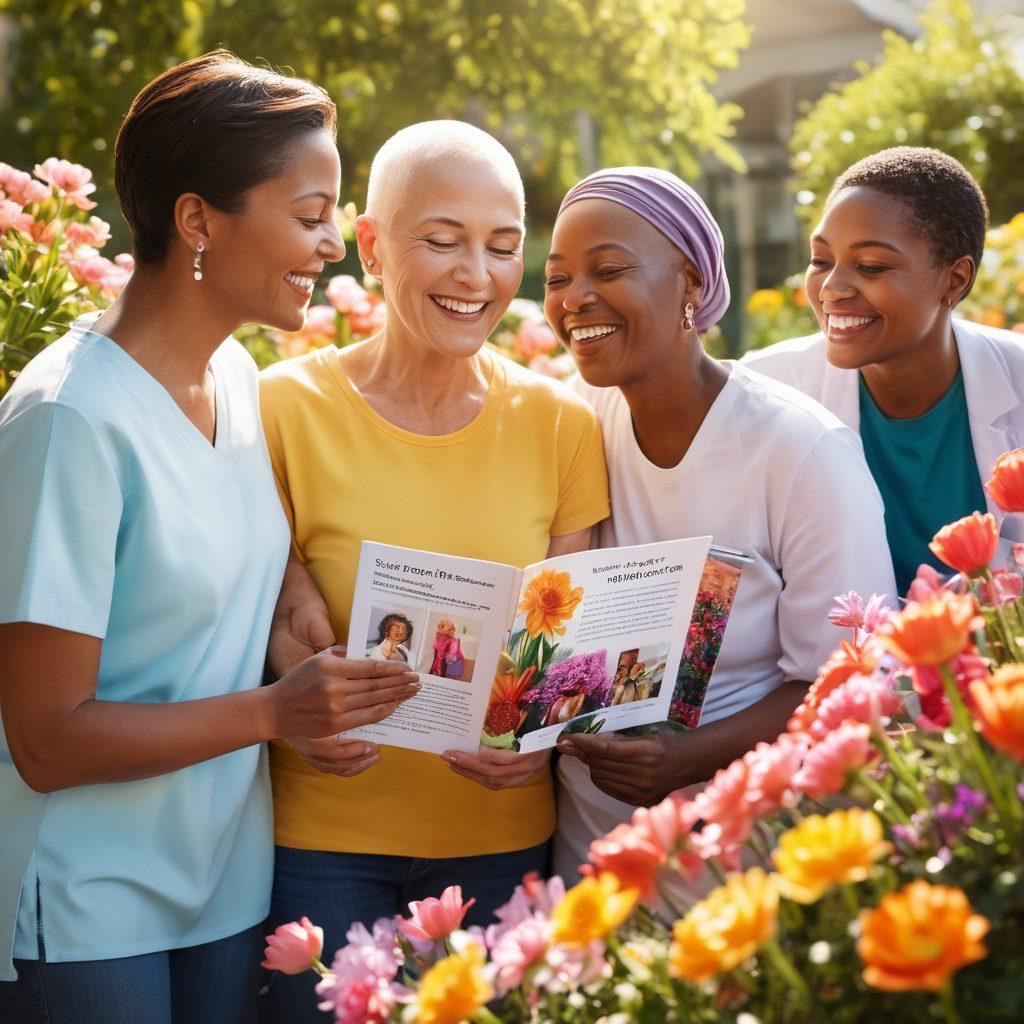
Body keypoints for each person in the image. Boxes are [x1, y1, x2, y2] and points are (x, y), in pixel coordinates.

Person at [0, 52, 419, 1024]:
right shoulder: (67, 422)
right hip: (88, 900)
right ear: (197, 220)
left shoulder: (234, 379)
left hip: (224, 885)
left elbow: (217, 552)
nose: (331, 246)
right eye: (310, 214)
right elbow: (46, 738)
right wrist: (278, 712)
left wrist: (291, 615)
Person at [258, 121, 609, 1022]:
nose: (476, 276)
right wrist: (283, 681)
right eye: (442, 241)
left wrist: (543, 734)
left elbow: (566, 645)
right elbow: (250, 610)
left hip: (498, 843)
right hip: (320, 846)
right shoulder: (283, 409)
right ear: (370, 246)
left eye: (501, 247)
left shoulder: (563, 424)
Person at [541, 166, 896, 885]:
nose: (576, 298)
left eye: (607, 270)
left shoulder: (799, 450)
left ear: (692, 289)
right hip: (591, 856)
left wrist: (688, 759)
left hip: (747, 860)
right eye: (556, 278)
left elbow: (852, 679)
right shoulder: (566, 421)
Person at [743, 147, 1024, 595]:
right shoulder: (763, 394)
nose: (831, 288)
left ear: (955, 279)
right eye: (820, 261)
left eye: (871, 266)